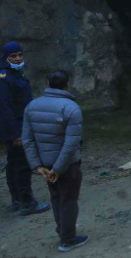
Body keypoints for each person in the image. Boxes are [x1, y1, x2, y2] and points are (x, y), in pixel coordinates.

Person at [22, 70, 88, 252]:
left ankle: (63, 231)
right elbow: (71, 144)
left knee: (57, 197)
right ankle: (68, 240)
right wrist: (58, 168)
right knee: (69, 200)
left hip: (46, 163)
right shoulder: (71, 108)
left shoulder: (31, 106)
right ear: (67, 85)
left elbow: (27, 140)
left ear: (48, 84)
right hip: (68, 165)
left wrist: (37, 165)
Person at [0, 41, 50, 216]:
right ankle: (27, 203)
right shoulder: (4, 77)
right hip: (16, 127)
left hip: (20, 125)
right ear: (6, 57)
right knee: (21, 164)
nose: (18, 58)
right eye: (13, 56)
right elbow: (3, 107)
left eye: (20, 54)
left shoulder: (15, 73)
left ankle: (17, 199)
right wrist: (15, 134)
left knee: (13, 163)